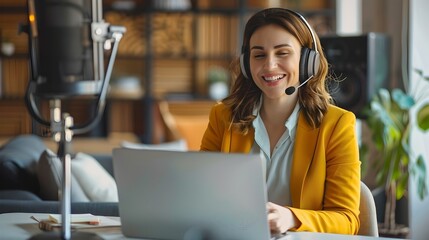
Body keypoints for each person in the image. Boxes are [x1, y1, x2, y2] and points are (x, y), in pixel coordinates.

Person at [200, 8, 361, 235]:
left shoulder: (337, 125)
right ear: (247, 64)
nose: (269, 65)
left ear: (308, 61)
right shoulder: (223, 118)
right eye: (259, 55)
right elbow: (200, 195)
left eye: (282, 53)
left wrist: (291, 218)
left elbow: (347, 220)